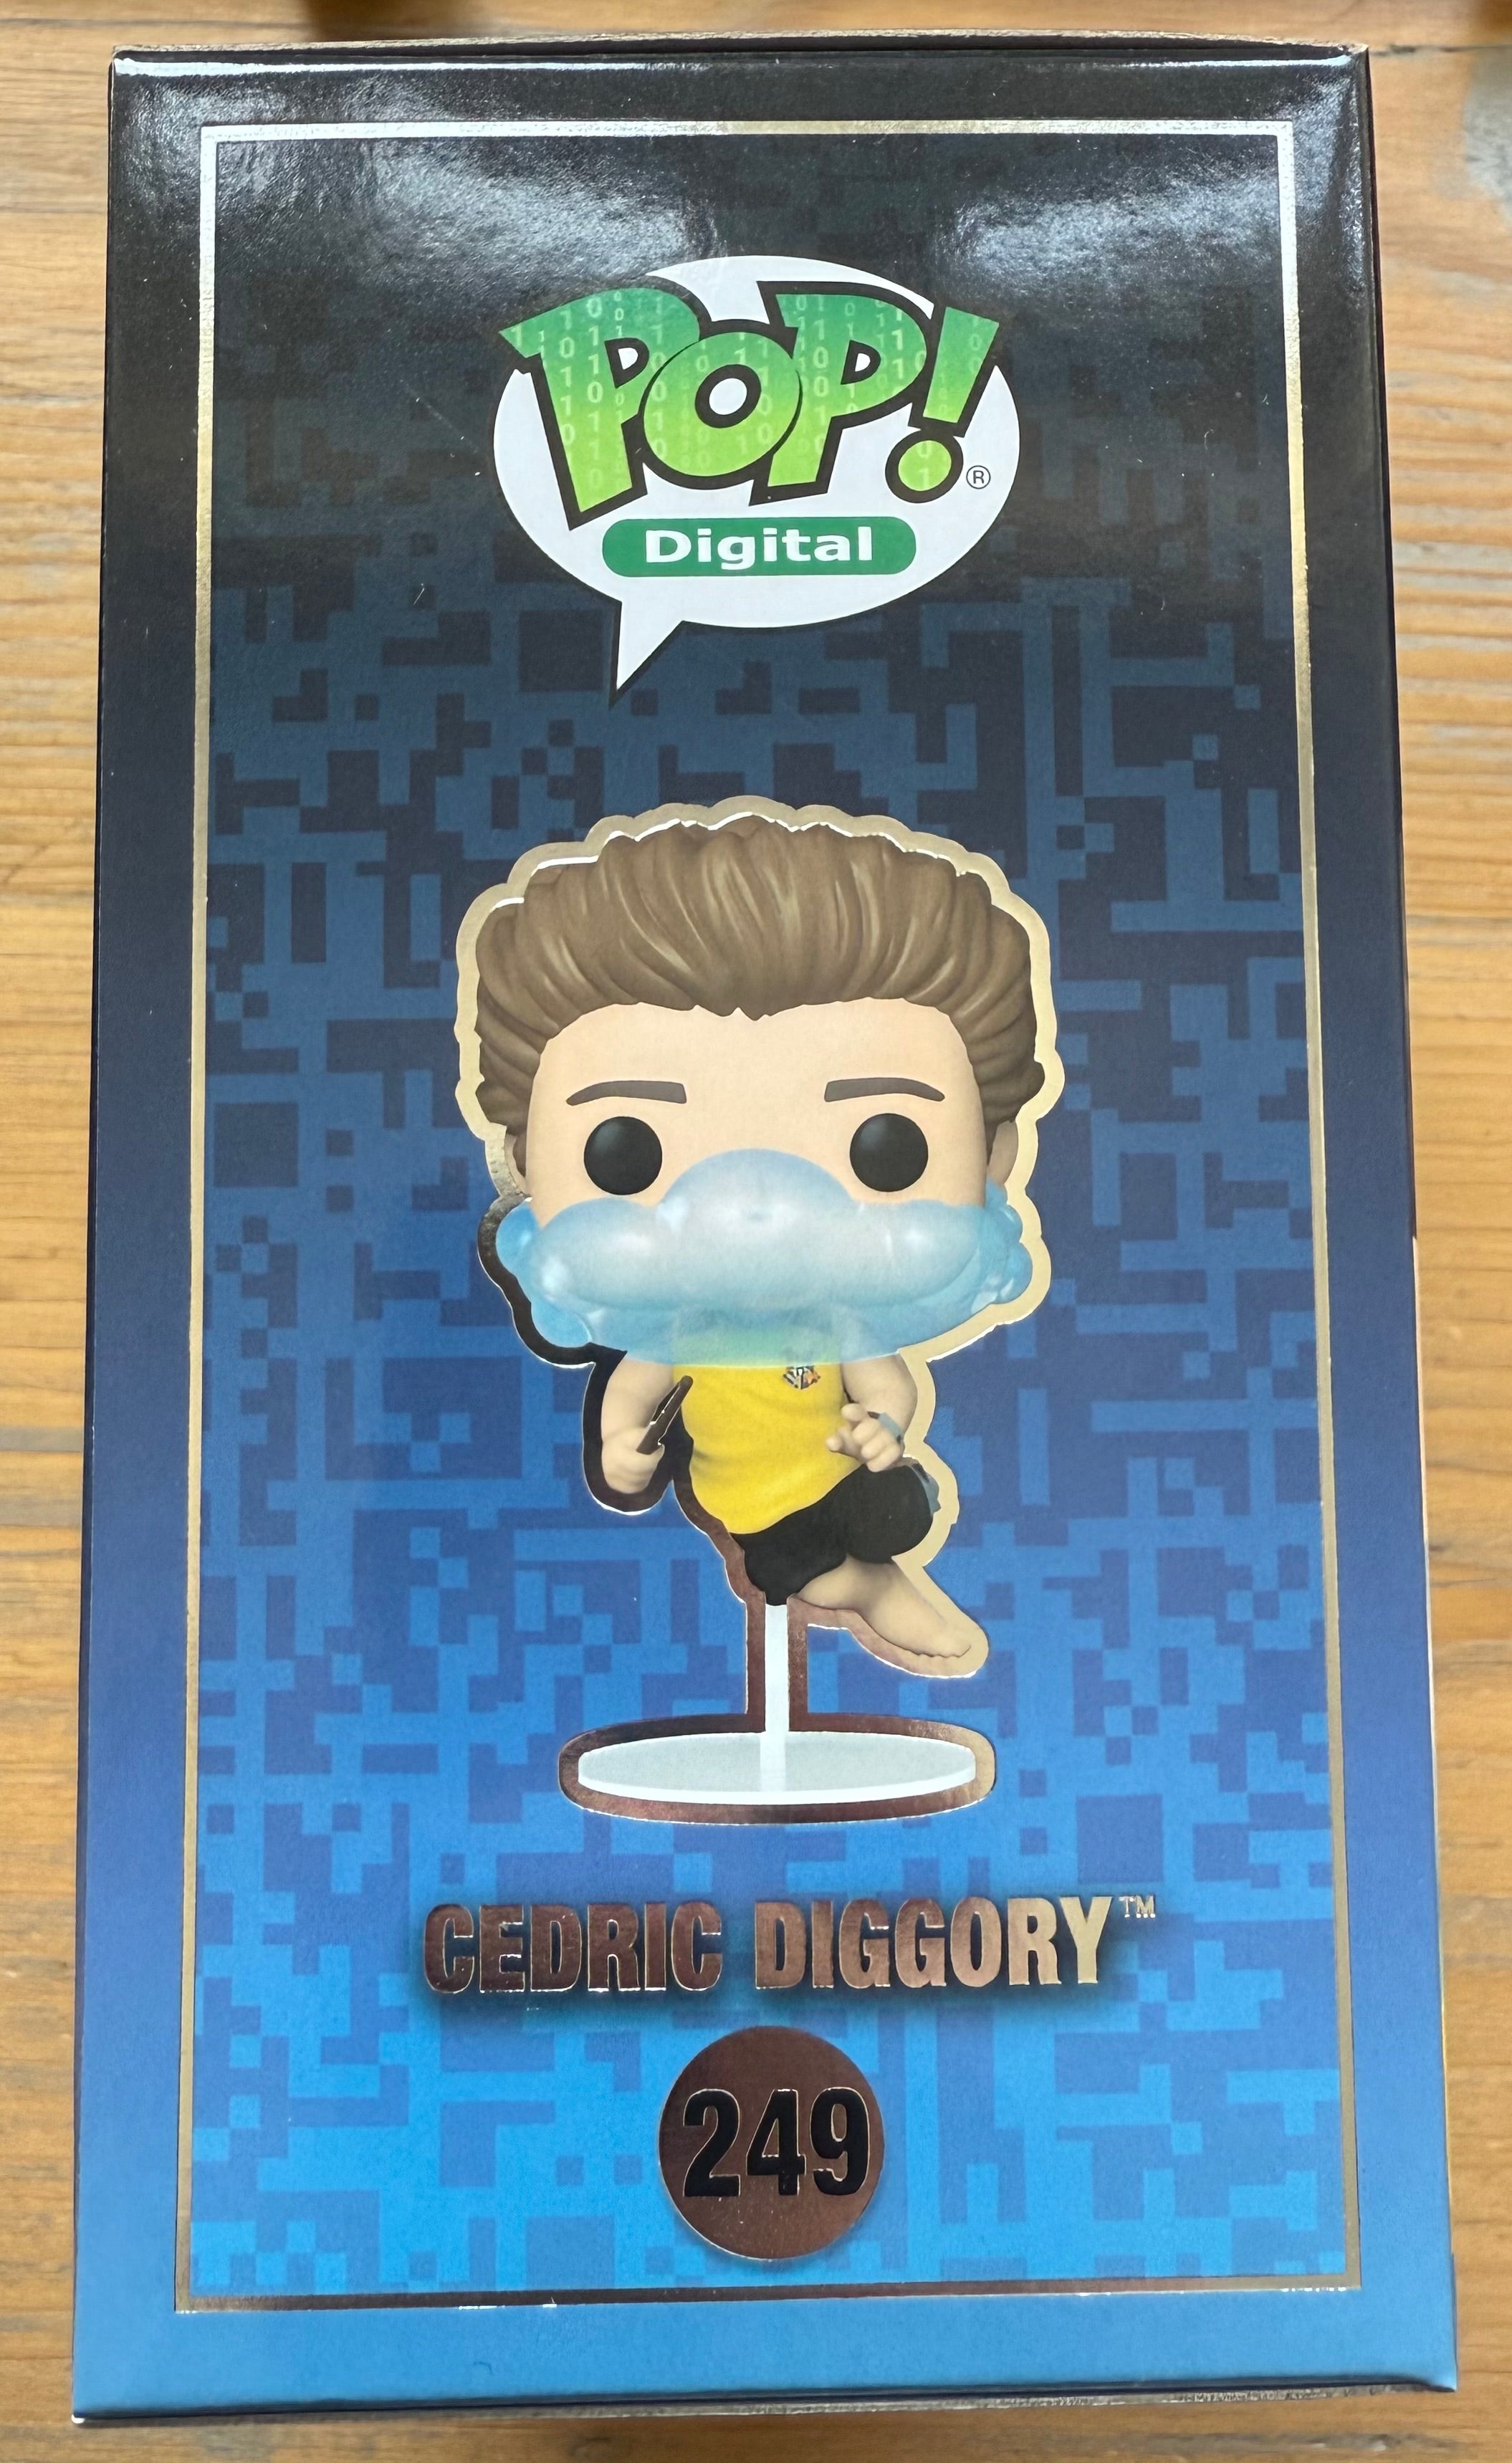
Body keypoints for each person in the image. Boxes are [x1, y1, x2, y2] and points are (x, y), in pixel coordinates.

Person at [455, 803, 1056, 1678]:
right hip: (754, 1500)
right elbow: (630, 1399)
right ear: (524, 1163)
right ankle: (869, 1587)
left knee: (891, 1515)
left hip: (844, 1473)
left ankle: (887, 1556)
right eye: (624, 1151)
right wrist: (621, 1452)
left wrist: (885, 1425)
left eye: (887, 1145)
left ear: (992, 1155)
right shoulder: (675, 1330)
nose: (751, 1211)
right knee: (796, 1570)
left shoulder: (834, 1318)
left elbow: (883, 1378)